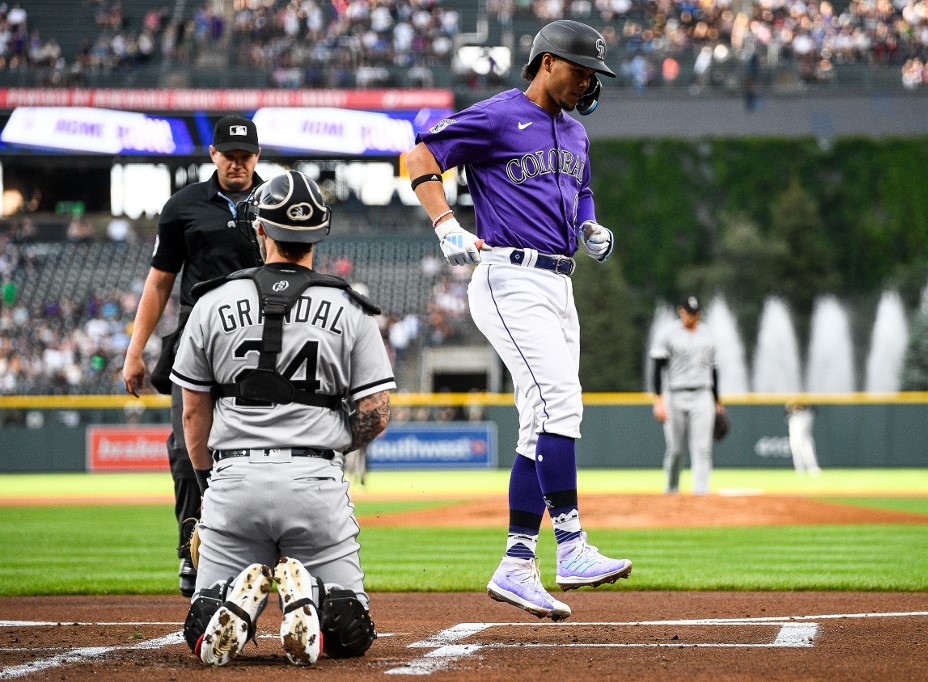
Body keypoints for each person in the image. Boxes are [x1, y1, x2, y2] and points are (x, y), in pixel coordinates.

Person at [405, 19, 632, 623]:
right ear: (548, 61)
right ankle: (574, 546)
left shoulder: (577, 132)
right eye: (582, 70)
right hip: (511, 277)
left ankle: (516, 563)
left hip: (559, 282)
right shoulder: (500, 115)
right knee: (561, 404)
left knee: (539, 424)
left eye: (593, 74)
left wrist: (589, 225)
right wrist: (444, 222)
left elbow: (579, 189)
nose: (589, 82)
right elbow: (421, 154)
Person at [171, 170, 393, 667]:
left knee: (200, 629)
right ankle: (310, 595)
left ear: (259, 231)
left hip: (233, 480)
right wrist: (328, 439)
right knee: (351, 632)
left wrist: (210, 488)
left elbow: (191, 414)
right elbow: (376, 415)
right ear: (319, 233)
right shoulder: (350, 307)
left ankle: (233, 604)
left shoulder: (210, 302)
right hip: (314, 479)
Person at [122, 115, 266, 598]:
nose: (237, 164)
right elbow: (160, 281)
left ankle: (262, 553)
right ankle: (191, 549)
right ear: (213, 155)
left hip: (260, 344)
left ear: (257, 157)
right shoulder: (182, 206)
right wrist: (134, 350)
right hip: (197, 342)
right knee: (186, 452)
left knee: (262, 450)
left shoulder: (277, 201)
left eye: (245, 156)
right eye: (229, 155)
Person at [650, 295, 725, 495]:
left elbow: (714, 370)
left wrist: (717, 401)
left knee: (702, 448)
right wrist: (659, 400)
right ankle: (672, 489)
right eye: (689, 312)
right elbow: (657, 368)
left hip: (703, 394)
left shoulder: (708, 335)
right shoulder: (668, 334)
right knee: (675, 449)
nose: (692, 317)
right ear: (680, 311)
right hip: (675, 394)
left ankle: (701, 492)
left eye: (696, 313)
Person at [786, 402, 821, 476]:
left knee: (807, 448)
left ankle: (813, 468)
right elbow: (788, 407)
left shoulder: (807, 414)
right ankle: (800, 470)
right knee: (795, 448)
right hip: (794, 426)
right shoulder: (792, 415)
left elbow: (812, 407)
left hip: (804, 423)